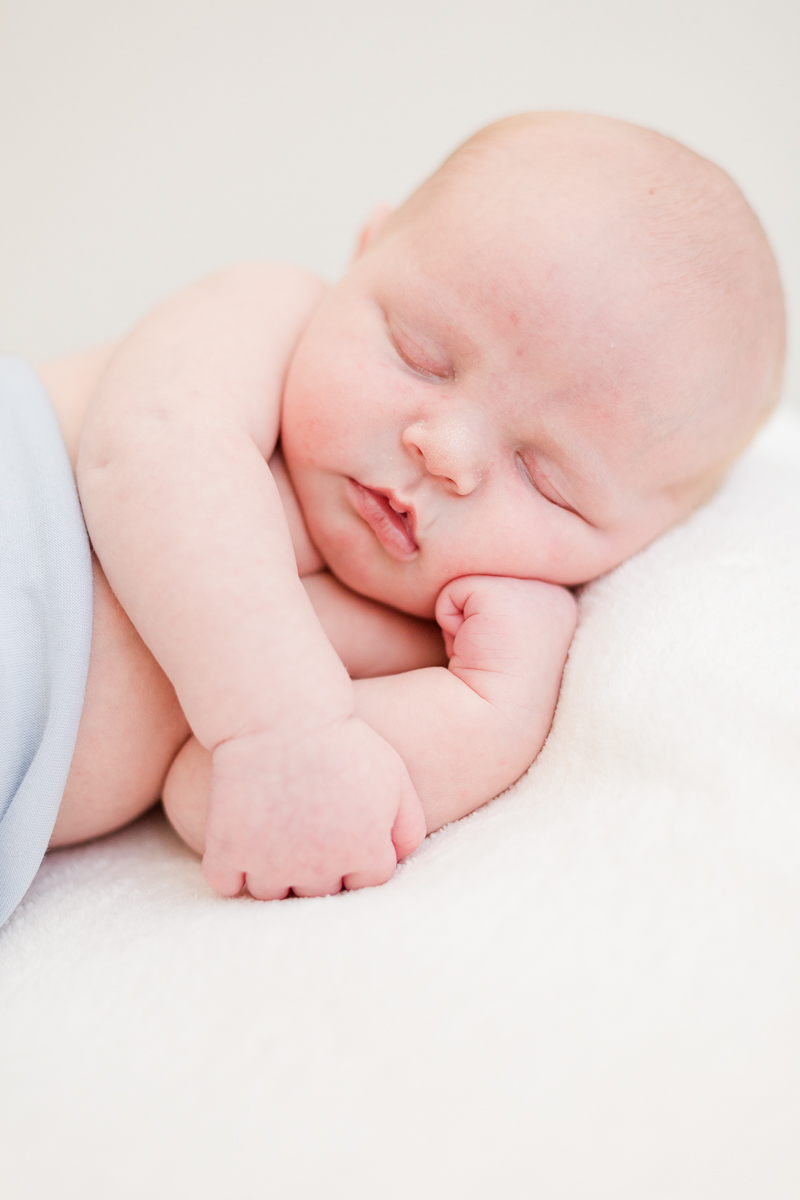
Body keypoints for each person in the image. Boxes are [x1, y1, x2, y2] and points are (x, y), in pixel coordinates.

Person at [1, 112, 785, 920]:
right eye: (421, 354)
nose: (445, 452)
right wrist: (285, 726)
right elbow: (147, 451)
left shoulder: (413, 639)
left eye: (545, 480)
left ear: (628, 548)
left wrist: (491, 709)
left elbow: (219, 801)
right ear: (364, 253)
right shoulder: (271, 318)